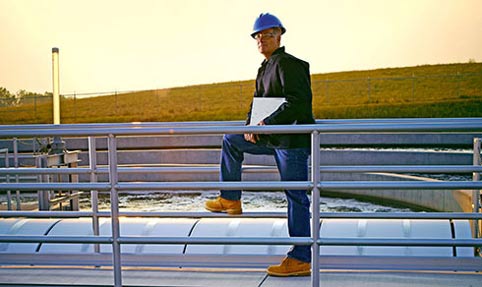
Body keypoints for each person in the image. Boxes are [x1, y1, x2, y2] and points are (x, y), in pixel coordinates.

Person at [204, 13, 315, 277]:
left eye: (267, 34)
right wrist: (250, 126)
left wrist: (267, 122)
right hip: (273, 138)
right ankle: (230, 199)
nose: (261, 39)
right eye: (258, 36)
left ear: (279, 35)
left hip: (291, 142)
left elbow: (298, 102)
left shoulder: (290, 64)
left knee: (296, 196)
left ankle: (301, 257)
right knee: (232, 140)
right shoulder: (264, 68)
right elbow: (257, 103)